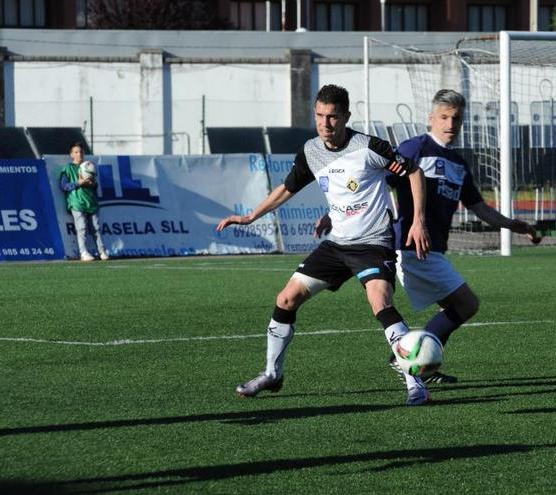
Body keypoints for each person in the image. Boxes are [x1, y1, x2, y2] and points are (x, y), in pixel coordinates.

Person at [216, 85, 433, 406]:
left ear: (346, 116)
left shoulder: (370, 147)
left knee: (379, 300)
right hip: (336, 245)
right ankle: (272, 374)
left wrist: (418, 220)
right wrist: (251, 216)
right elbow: (288, 188)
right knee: (286, 299)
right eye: (320, 116)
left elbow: (413, 172)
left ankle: (415, 383)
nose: (325, 123)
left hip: (372, 242)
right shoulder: (311, 151)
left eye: (332, 116)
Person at [316, 89, 537, 384]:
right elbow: (371, 180)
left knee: (457, 307)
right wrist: (335, 213)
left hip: (432, 250)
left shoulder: (458, 164)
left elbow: (479, 207)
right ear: (431, 118)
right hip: (410, 247)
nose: (450, 124)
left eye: (456, 119)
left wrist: (513, 225)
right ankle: (407, 357)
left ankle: (413, 359)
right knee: (466, 304)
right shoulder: (414, 148)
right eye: (444, 117)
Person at [59, 142, 109, 262]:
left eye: (81, 152)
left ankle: (102, 251)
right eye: (76, 152)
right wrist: (78, 183)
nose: (79, 154)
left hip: (91, 202)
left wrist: (93, 184)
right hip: (77, 202)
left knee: (96, 227)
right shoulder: (68, 168)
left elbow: (95, 186)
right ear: (71, 155)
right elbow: (64, 186)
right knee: (81, 228)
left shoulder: (89, 166)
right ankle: (83, 252)